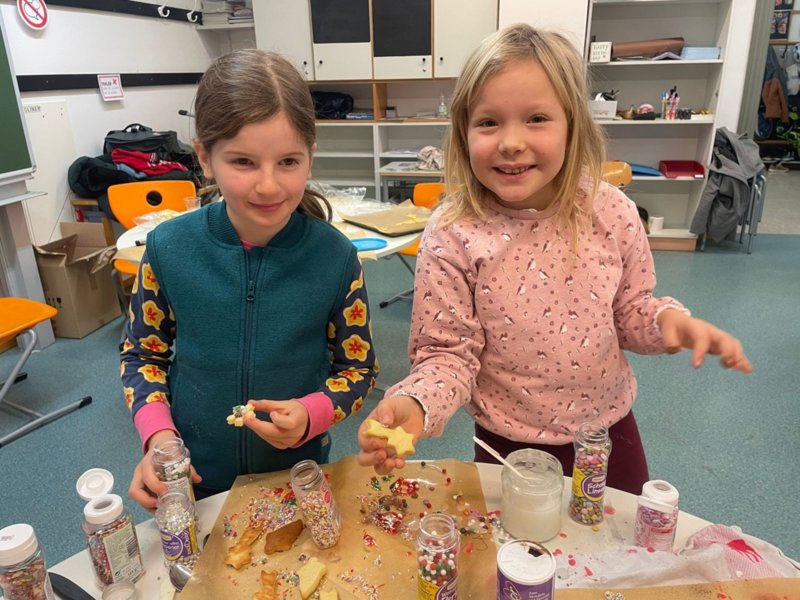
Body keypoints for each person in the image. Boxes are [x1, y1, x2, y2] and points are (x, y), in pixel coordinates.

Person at [357, 24, 751, 494]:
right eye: (488, 122)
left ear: (573, 126)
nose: (510, 142)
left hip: (607, 431)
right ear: (462, 133)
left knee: (619, 535)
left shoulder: (611, 212)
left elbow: (629, 312)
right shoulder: (452, 232)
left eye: (537, 118)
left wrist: (668, 322)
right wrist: (417, 403)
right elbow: (447, 354)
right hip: (505, 444)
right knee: (516, 542)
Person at [122, 49, 378, 508]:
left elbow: (358, 370)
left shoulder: (335, 258)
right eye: (243, 162)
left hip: (296, 479)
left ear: (310, 157)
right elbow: (142, 356)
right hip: (195, 479)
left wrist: (312, 414)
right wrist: (158, 437)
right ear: (205, 157)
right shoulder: (167, 249)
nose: (269, 185)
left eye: (288, 162)